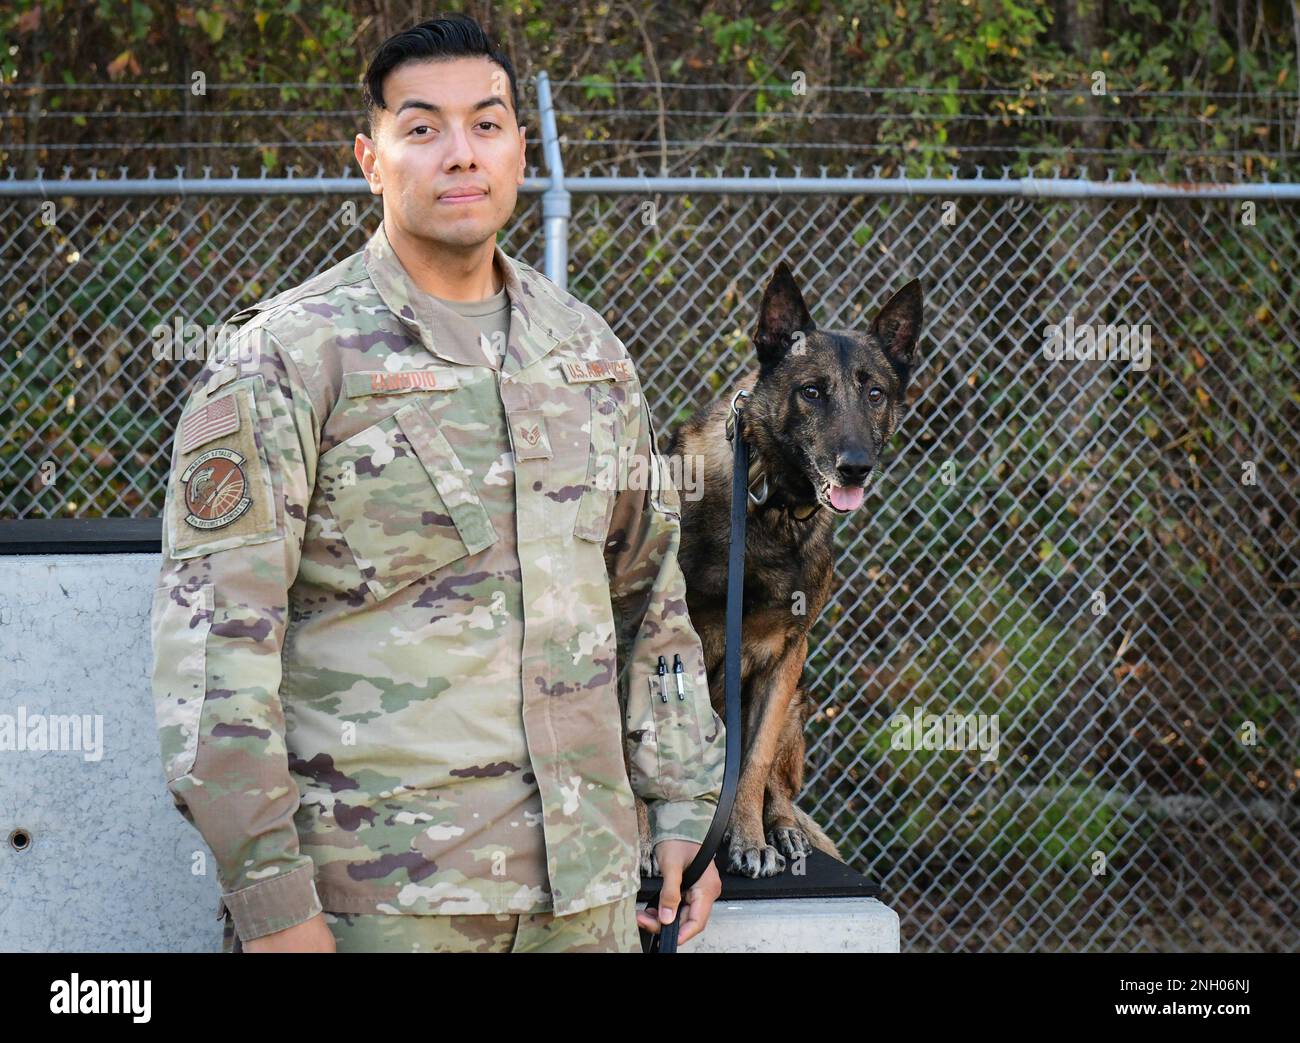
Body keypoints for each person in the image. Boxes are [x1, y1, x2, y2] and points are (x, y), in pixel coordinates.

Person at [148, 13, 724, 954]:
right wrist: (273, 907)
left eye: (486, 124)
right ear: (369, 159)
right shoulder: (286, 360)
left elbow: (649, 597)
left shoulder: (587, 355)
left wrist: (680, 813)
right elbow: (215, 658)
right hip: (380, 910)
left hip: (590, 901)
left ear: (520, 148)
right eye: (422, 128)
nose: (461, 153)